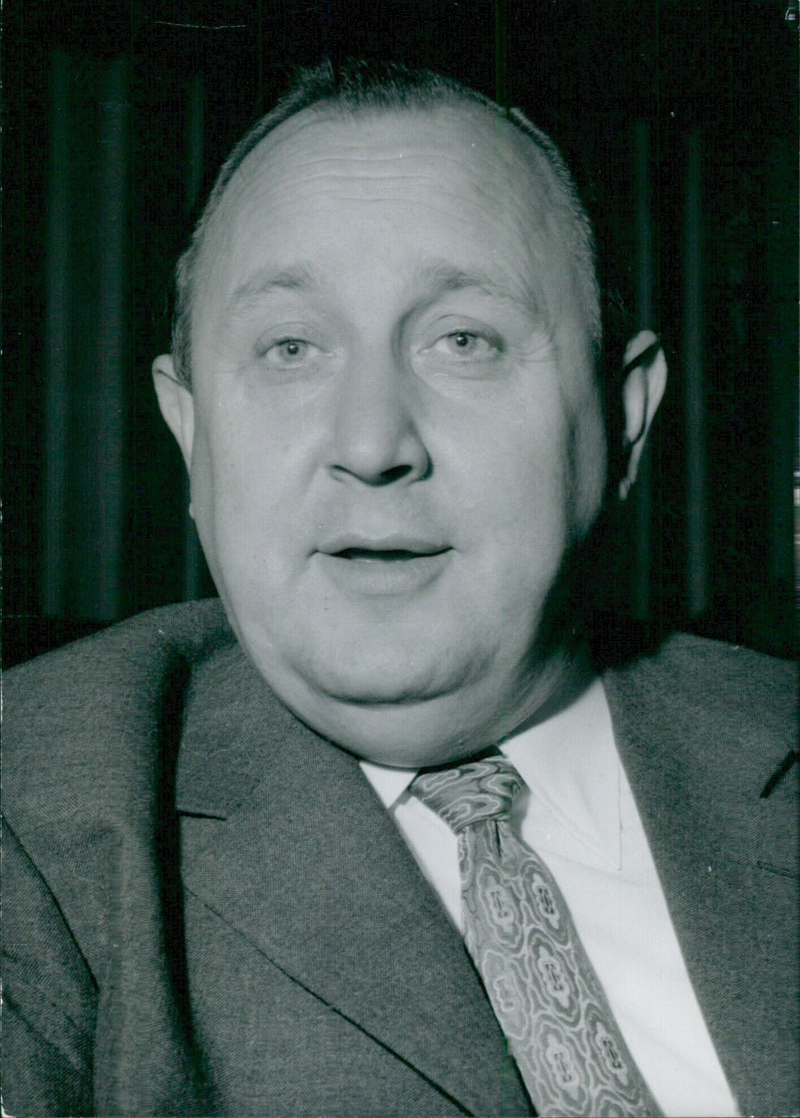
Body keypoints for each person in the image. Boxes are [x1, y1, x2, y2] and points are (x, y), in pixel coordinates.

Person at [3, 60, 796, 1118]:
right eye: (290, 349)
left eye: (462, 341)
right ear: (191, 435)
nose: (372, 444)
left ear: (623, 420)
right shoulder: (39, 807)